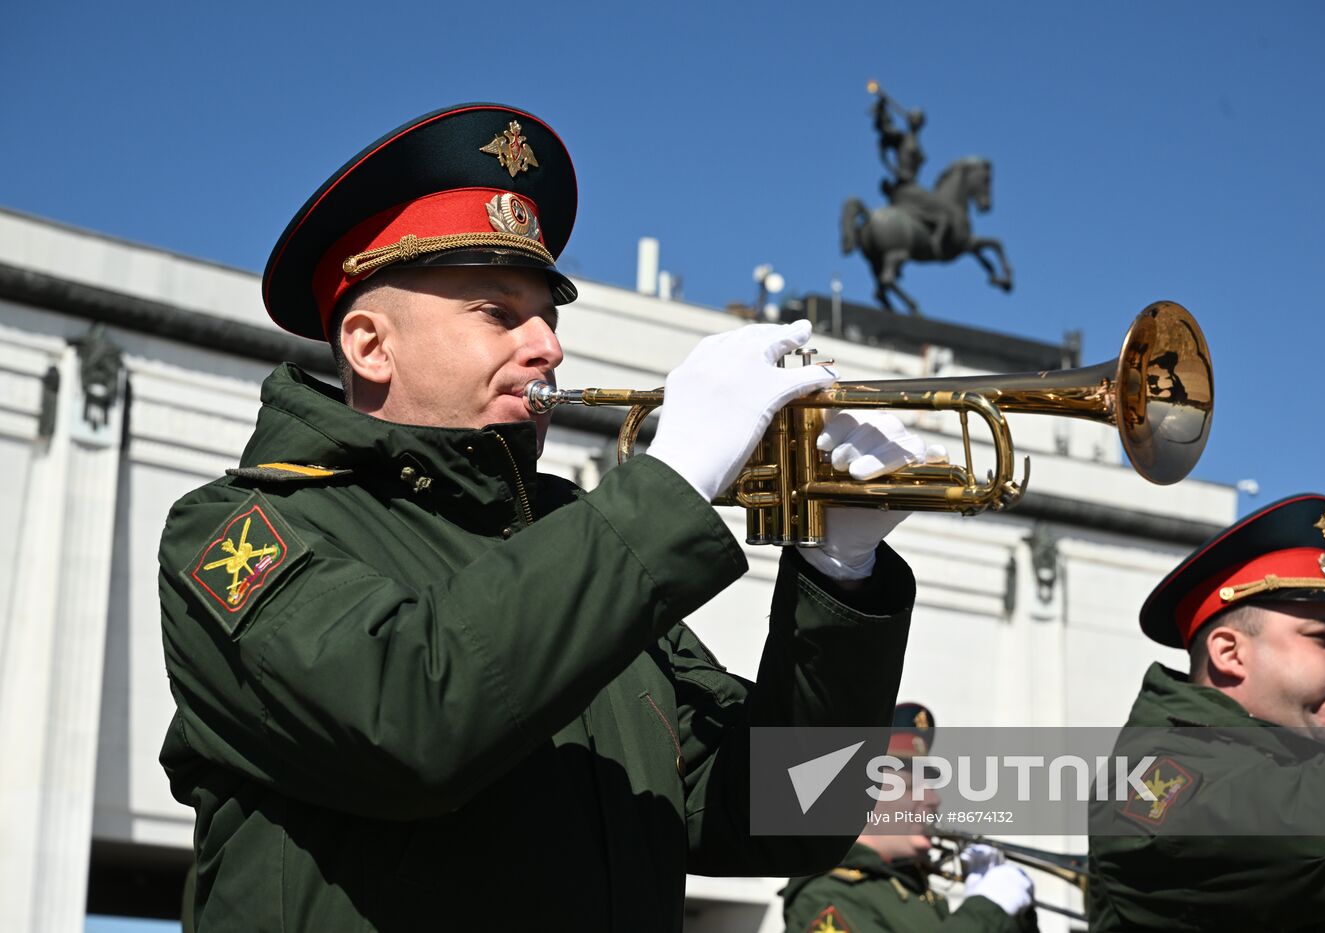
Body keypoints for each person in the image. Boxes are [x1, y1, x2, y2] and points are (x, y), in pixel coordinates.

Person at [159, 103, 931, 931]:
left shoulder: (577, 539)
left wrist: (838, 576)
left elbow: (786, 812)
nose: (547, 346)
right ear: (370, 345)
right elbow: (409, 720)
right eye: (497, 312)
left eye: (549, 317)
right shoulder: (236, 529)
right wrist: (669, 482)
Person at [1088, 493, 1325, 931]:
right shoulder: (1145, 782)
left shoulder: (1307, 773)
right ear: (1230, 654)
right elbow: (1317, 829)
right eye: (1322, 639)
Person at [782, 703, 1037, 932]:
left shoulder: (914, 891)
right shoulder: (825, 899)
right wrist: (986, 910)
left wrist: (1017, 917)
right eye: (909, 786)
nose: (933, 799)